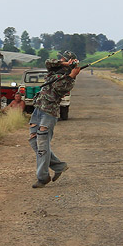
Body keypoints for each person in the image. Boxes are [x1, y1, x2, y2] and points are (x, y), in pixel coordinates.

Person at [29, 51, 81, 188]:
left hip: (49, 112)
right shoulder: (54, 68)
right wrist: (64, 63)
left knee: (42, 143)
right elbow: (48, 61)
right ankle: (59, 166)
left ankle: (42, 177)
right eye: (62, 58)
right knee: (33, 140)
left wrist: (71, 75)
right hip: (38, 108)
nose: (60, 59)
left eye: (64, 58)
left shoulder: (69, 80)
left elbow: (59, 88)